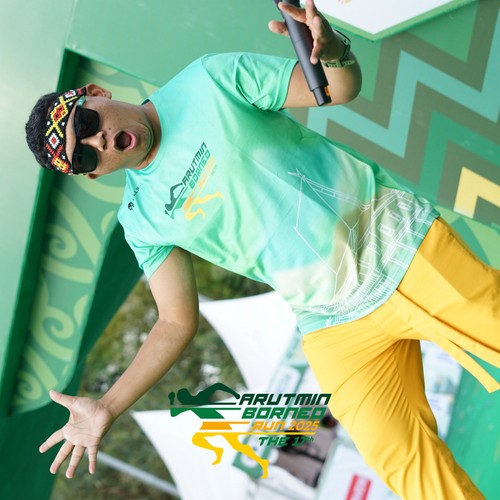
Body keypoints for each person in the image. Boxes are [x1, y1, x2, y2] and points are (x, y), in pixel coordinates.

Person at [25, 1, 499, 498]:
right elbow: (175, 322)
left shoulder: (208, 81)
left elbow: (337, 87)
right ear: (93, 173)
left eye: (88, 122)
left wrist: (333, 53)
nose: (98, 141)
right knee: (406, 466)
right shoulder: (140, 219)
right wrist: (107, 406)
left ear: (97, 94)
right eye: (84, 156)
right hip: (331, 321)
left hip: (392, 242)